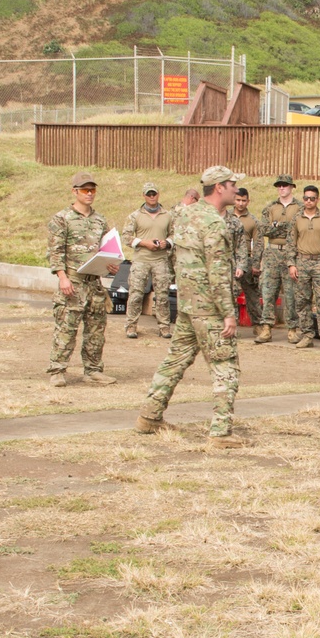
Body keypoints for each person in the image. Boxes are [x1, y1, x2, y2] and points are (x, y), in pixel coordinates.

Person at [136, 166, 245, 449]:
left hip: (186, 304)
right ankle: (221, 432)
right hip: (209, 309)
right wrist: (229, 314)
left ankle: (149, 415)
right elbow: (218, 273)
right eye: (232, 184)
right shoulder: (214, 224)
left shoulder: (184, 214)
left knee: (174, 361)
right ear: (219, 187)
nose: (237, 189)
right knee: (225, 366)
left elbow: (177, 239)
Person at [46, 172, 120, 387]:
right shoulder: (61, 219)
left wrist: (111, 265)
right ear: (74, 192)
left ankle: (93, 370)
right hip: (73, 282)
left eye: (92, 190)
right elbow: (55, 251)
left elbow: (107, 248)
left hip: (94, 283)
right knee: (66, 328)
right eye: (85, 190)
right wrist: (62, 277)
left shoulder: (100, 220)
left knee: (96, 330)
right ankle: (57, 370)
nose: (89, 194)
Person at [286, 184, 320, 351]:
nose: (308, 201)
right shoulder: (296, 218)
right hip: (301, 262)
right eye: (306, 198)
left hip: (319, 263)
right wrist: (291, 264)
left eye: (312, 198)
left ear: (317, 199)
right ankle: (307, 335)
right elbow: (290, 243)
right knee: (302, 302)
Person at [121, 182, 174, 339]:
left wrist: (167, 243)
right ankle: (131, 326)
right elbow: (126, 237)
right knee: (136, 294)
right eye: (149, 194)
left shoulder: (167, 215)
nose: (152, 197)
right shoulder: (135, 216)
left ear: (158, 194)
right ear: (144, 196)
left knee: (163, 295)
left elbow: (175, 234)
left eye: (154, 194)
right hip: (141, 260)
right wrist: (144, 243)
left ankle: (164, 326)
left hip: (161, 260)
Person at [254, 175, 302, 344]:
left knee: (291, 293)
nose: (281, 188)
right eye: (279, 186)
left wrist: (277, 225)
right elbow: (264, 230)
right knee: (268, 292)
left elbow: (298, 230)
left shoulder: (300, 207)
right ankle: (266, 328)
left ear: (291, 187)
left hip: (291, 253)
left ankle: (292, 329)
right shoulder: (270, 207)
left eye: (285, 185)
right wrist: (282, 227)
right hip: (272, 253)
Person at [231, 188, 262, 334]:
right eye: (238, 200)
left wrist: (256, 264)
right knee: (231, 293)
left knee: (252, 295)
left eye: (244, 200)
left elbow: (258, 243)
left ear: (248, 201)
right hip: (230, 260)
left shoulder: (253, 220)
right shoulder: (226, 217)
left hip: (248, 260)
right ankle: (232, 326)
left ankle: (258, 325)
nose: (241, 203)